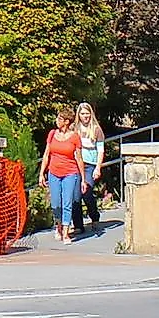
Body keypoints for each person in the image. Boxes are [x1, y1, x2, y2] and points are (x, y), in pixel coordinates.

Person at [41, 106, 84, 244]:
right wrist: (42, 173)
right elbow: (46, 154)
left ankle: (66, 232)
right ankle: (58, 226)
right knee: (55, 203)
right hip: (54, 172)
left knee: (67, 202)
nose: (56, 120)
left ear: (66, 121)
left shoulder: (75, 137)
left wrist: (83, 179)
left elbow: (79, 158)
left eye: (59, 118)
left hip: (70, 173)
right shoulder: (52, 134)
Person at [72, 102, 107, 235]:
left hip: (90, 165)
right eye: (82, 113)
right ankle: (78, 225)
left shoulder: (96, 130)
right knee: (75, 195)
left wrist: (98, 167)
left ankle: (94, 217)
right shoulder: (75, 128)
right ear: (79, 115)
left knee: (86, 191)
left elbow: (101, 150)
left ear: (91, 114)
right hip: (76, 164)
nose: (85, 116)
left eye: (87, 113)